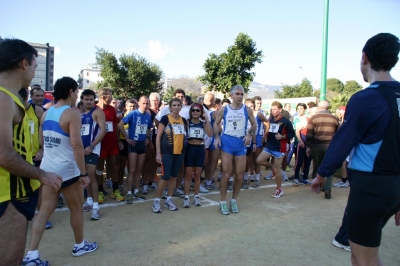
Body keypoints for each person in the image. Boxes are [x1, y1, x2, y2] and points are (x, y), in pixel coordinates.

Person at [311, 33, 400, 266]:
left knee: (362, 259)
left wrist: (322, 174)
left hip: (371, 187)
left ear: (365, 57)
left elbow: (343, 141)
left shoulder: (366, 98)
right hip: (395, 186)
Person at [0, 39, 62, 265]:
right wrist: (42, 175)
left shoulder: (10, 97)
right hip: (8, 195)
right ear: (24, 64)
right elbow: (4, 154)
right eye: (36, 65)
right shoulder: (3, 98)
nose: (35, 70)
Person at [23, 77, 97, 265]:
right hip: (68, 170)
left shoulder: (46, 114)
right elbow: (76, 146)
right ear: (71, 92)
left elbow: (42, 142)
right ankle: (79, 245)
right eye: (77, 92)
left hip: (49, 169)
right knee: (76, 209)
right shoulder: (71, 114)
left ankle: (31, 254)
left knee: (44, 212)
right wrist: (83, 173)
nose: (77, 96)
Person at [213, 85, 257, 215]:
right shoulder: (224, 109)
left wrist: (249, 134)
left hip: (240, 143)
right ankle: (222, 201)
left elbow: (254, 124)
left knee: (239, 175)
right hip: (227, 141)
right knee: (226, 174)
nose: (239, 96)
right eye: (237, 94)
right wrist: (216, 137)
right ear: (231, 96)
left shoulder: (247, 110)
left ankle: (233, 200)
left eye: (242, 94)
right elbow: (216, 124)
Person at [152, 98, 187, 213]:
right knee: (165, 176)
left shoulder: (183, 120)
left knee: (174, 177)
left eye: (179, 105)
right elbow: (158, 137)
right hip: (167, 151)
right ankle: (156, 201)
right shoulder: (165, 118)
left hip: (179, 152)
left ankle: (169, 199)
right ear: (171, 107)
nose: (176, 107)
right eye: (174, 105)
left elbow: (183, 136)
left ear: (181, 107)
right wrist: (158, 153)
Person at [256, 101, 295, 198]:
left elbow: (292, 134)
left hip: (279, 148)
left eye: (275, 109)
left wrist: (282, 136)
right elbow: (270, 130)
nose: (272, 111)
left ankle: (279, 189)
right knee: (258, 160)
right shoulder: (272, 120)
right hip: (270, 146)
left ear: (280, 110)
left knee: (278, 170)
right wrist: (265, 135)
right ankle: (272, 167)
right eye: (272, 109)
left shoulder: (286, 121)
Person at [118, 96, 153, 203]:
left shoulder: (148, 115)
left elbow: (149, 128)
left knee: (139, 170)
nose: (145, 106)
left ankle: (136, 190)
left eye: (147, 103)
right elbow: (120, 125)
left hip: (142, 145)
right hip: (133, 144)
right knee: (132, 170)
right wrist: (127, 138)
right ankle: (129, 192)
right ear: (139, 103)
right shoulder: (132, 114)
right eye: (143, 103)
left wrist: (147, 138)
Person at [80, 89, 107, 220]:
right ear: (82, 100)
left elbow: (103, 131)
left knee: (91, 176)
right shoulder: (81, 113)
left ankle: (96, 207)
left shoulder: (97, 112)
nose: (89, 101)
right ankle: (89, 200)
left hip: (92, 149)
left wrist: (92, 145)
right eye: (86, 99)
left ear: (94, 100)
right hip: (82, 149)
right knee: (84, 177)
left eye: (91, 99)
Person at [306, 100, 339, 199]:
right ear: (327, 108)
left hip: (316, 146)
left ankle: (317, 185)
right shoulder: (334, 119)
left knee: (317, 165)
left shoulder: (313, 118)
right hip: (330, 146)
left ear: (319, 108)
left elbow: (309, 134)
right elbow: (338, 133)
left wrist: (308, 146)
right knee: (329, 167)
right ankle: (327, 189)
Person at [95, 88, 123, 203]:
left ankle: (115, 190)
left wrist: (118, 140)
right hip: (100, 144)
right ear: (104, 97)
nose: (112, 98)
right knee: (100, 169)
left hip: (112, 144)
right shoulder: (95, 109)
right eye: (110, 96)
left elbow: (115, 125)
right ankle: (100, 191)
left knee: (115, 167)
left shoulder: (112, 109)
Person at [183, 103, 212, 207]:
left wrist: (207, 120)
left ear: (201, 112)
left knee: (197, 175)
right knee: (188, 175)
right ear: (190, 112)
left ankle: (196, 196)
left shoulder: (203, 123)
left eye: (197, 110)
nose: (195, 112)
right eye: (193, 110)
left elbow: (210, 134)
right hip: (190, 149)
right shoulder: (187, 122)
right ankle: (186, 197)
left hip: (200, 149)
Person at [141, 92, 160, 193]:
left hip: (159, 138)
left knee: (156, 162)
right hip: (150, 138)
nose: (155, 102)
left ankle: (151, 181)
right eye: (153, 100)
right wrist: (149, 140)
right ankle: (144, 182)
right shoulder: (148, 111)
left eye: (156, 100)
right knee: (147, 161)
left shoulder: (161, 111)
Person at [292, 103, 312, 186]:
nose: (299, 110)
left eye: (301, 109)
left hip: (308, 144)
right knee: (299, 161)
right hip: (300, 142)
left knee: (307, 162)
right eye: (298, 109)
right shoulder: (301, 119)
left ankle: (305, 178)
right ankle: (296, 177)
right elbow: (296, 130)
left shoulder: (309, 118)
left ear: (305, 110)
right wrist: (300, 141)